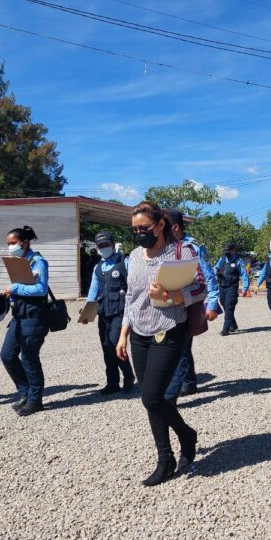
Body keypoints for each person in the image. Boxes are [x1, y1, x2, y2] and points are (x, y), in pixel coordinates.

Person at [116, 201, 205, 486]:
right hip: (139, 334)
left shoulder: (181, 252)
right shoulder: (133, 256)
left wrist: (173, 297)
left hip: (169, 330)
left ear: (161, 225)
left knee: (152, 397)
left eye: (144, 228)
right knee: (151, 400)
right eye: (134, 230)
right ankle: (165, 458)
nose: (139, 233)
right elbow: (131, 298)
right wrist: (123, 333)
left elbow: (200, 287)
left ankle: (186, 435)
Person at [164, 208, 219, 400]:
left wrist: (212, 304)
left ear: (175, 227)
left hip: (189, 301)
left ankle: (178, 389)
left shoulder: (193, 246)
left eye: (164, 225)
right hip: (170, 303)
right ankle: (188, 381)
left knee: (181, 345)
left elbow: (208, 275)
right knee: (180, 345)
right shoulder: (165, 246)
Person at [0, 226, 50, 416]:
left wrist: (15, 288)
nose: (10, 247)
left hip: (34, 316)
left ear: (24, 242)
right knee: (7, 355)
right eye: (8, 244)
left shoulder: (38, 262)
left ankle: (35, 400)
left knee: (29, 357)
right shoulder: (19, 262)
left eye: (13, 243)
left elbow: (41, 290)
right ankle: (25, 392)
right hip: (19, 316)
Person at [86, 230, 135, 395]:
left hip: (120, 312)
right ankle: (112, 382)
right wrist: (87, 313)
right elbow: (93, 292)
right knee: (106, 347)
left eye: (106, 244)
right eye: (100, 245)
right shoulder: (98, 267)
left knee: (115, 343)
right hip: (104, 313)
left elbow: (134, 286)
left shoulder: (124, 263)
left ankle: (128, 376)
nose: (103, 248)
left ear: (113, 245)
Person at [214, 241, 249, 335]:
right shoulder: (222, 258)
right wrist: (216, 274)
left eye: (229, 250)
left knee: (229, 307)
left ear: (233, 250)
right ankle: (233, 324)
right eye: (225, 250)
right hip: (222, 286)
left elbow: (244, 275)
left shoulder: (238, 261)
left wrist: (245, 288)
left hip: (232, 287)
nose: (227, 252)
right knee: (224, 305)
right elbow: (216, 268)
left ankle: (225, 329)